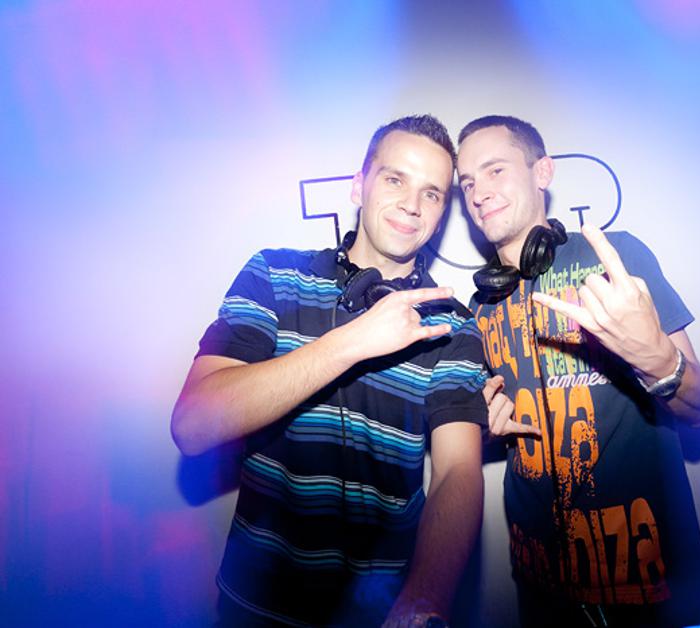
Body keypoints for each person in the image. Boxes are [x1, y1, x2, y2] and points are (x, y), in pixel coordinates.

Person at [172, 115, 487, 627]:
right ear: (358, 186)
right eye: (395, 179)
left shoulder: (452, 326)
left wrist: (422, 600)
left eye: (431, 194)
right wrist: (350, 344)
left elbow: (457, 471)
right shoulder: (275, 275)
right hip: (255, 606)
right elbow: (193, 426)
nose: (412, 204)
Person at [457, 115, 700, 627]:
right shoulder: (481, 306)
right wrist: (484, 429)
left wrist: (656, 359)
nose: (478, 193)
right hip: (541, 584)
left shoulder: (614, 258)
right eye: (467, 183)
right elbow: (494, 431)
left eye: (495, 170)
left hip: (650, 577)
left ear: (542, 172)